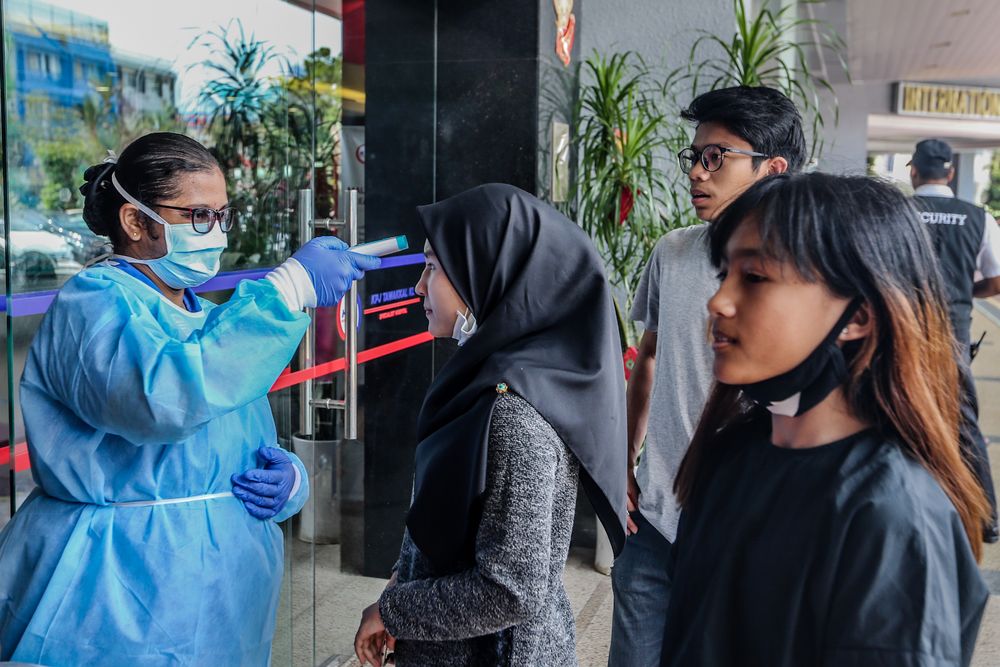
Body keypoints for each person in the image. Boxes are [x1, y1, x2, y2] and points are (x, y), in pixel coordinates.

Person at [0, 132, 380, 666]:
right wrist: (289, 287)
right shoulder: (93, 305)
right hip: (119, 586)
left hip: (221, 592)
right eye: (199, 216)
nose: (216, 232)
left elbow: (232, 428)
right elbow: (164, 400)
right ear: (135, 222)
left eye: (223, 216)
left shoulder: (206, 318)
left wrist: (288, 481)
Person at [662, 173, 990, 666]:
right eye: (723, 273)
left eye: (754, 277)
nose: (718, 301)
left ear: (857, 316)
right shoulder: (728, 457)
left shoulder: (890, 515)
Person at [353, 184, 627, 666]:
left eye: (433, 268)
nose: (419, 286)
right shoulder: (484, 380)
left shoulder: (514, 414)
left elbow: (511, 590)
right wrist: (402, 581)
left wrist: (394, 611)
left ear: (484, 274)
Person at [609, 85, 806, 667]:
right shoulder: (672, 251)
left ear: (773, 169)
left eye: (717, 157)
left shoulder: (804, 272)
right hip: (653, 520)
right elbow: (647, 356)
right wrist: (624, 458)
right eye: (694, 156)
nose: (697, 171)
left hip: (743, 526)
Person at [909, 137, 1000, 542]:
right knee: (963, 421)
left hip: (902, 330)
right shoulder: (979, 218)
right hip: (953, 333)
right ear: (950, 173)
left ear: (914, 171)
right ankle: (988, 518)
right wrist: (965, 291)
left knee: (891, 411)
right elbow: (996, 281)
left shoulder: (897, 211)